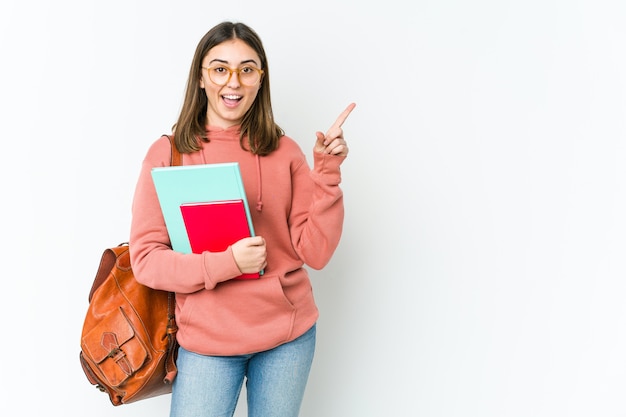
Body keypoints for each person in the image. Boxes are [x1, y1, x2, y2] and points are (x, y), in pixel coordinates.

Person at [129, 21, 355, 417]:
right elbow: (146, 261)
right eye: (220, 68)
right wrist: (228, 263)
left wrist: (328, 171)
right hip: (207, 344)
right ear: (200, 76)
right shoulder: (167, 153)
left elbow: (316, 253)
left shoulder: (285, 151)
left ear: (260, 78)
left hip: (288, 339)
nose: (233, 82)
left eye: (247, 69)